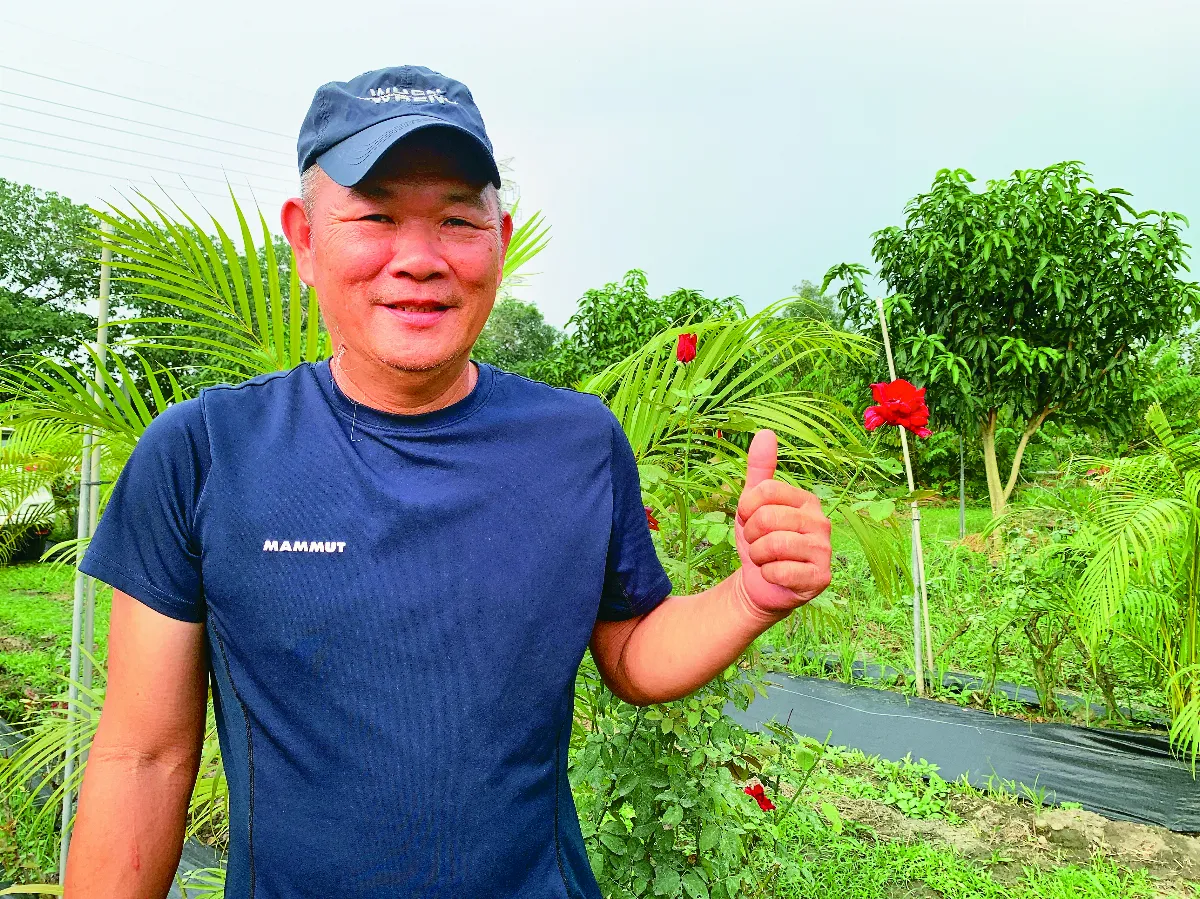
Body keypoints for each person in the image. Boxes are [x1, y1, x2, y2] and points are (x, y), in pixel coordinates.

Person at [63, 65, 832, 899]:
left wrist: (750, 597)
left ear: (500, 240)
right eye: (377, 216)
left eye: (458, 220)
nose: (420, 260)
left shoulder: (577, 442)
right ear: (305, 239)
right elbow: (143, 757)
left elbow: (633, 651)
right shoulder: (206, 452)